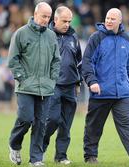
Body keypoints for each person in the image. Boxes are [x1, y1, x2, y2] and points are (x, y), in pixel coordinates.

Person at [82, 8, 129, 165]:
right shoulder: (96, 38)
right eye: (107, 18)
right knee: (94, 126)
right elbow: (87, 62)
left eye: (113, 19)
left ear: (120, 21)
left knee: (126, 124)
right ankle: (90, 156)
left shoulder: (126, 39)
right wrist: (92, 82)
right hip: (101, 91)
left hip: (123, 93)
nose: (109, 21)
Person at [8, 2, 60, 166]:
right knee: (25, 118)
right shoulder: (21, 33)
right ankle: (14, 145)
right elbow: (13, 60)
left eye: (49, 17)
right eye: (44, 16)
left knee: (40, 124)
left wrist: (52, 79)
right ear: (35, 14)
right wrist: (21, 78)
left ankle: (36, 159)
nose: (46, 20)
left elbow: (56, 61)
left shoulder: (51, 36)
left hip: (46, 88)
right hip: (25, 87)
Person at [42, 6, 82, 165]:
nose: (67, 24)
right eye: (64, 21)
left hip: (70, 86)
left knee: (66, 124)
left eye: (69, 21)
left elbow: (79, 61)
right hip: (53, 85)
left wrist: (78, 82)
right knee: (52, 119)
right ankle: (41, 148)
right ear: (55, 19)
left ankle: (61, 156)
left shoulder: (73, 37)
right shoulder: (46, 35)